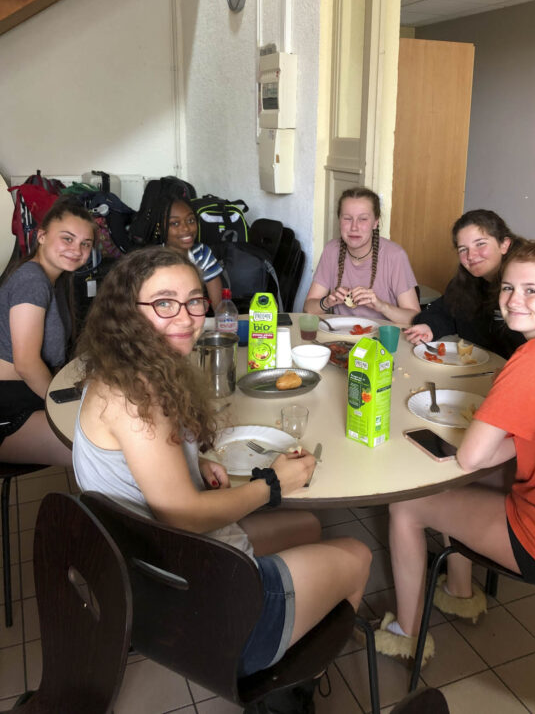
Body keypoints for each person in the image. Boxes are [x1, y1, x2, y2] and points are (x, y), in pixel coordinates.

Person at [73, 247, 371, 679]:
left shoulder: (120, 371)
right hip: (200, 601)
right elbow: (187, 516)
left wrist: (195, 463)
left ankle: (302, 618)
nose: (187, 316)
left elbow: (150, 466)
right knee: (358, 554)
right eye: (163, 302)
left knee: (307, 526)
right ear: (127, 312)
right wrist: (273, 484)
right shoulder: (135, 398)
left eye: (195, 300)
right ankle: (289, 685)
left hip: (152, 572)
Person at [376, 234, 535, 664]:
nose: (514, 300)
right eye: (508, 288)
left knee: (407, 505)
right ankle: (459, 591)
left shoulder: (532, 363)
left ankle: (407, 634)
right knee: (458, 477)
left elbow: (470, 457)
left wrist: (483, 446)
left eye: (531, 290)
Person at [405, 209, 535, 358]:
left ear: (504, 244)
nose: (471, 256)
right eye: (463, 249)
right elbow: (446, 311)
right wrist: (429, 326)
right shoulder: (466, 282)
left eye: (481, 244)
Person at [0, 198, 96, 465]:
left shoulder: (55, 280)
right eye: (67, 239)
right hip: (9, 401)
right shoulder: (32, 280)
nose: (76, 249)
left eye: (85, 244)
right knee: (103, 453)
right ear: (41, 235)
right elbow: (27, 364)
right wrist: (64, 402)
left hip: (22, 392)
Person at [304, 187, 420, 325]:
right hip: (340, 338)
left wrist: (382, 306)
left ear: (375, 222)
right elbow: (308, 309)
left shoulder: (395, 255)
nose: (354, 227)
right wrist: (328, 301)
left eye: (363, 219)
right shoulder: (331, 250)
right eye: (347, 218)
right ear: (339, 220)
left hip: (382, 341)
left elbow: (415, 317)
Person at [143, 194, 223, 310]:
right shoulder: (151, 260)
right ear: (159, 229)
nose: (186, 228)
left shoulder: (201, 254)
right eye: (175, 223)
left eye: (191, 220)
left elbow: (219, 306)